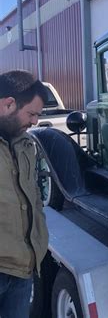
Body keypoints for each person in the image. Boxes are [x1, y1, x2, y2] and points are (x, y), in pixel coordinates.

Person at [0, 70, 49, 318]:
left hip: (23, 272)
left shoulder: (25, 144)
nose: (35, 122)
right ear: (9, 104)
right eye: (31, 114)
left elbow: (34, 197)